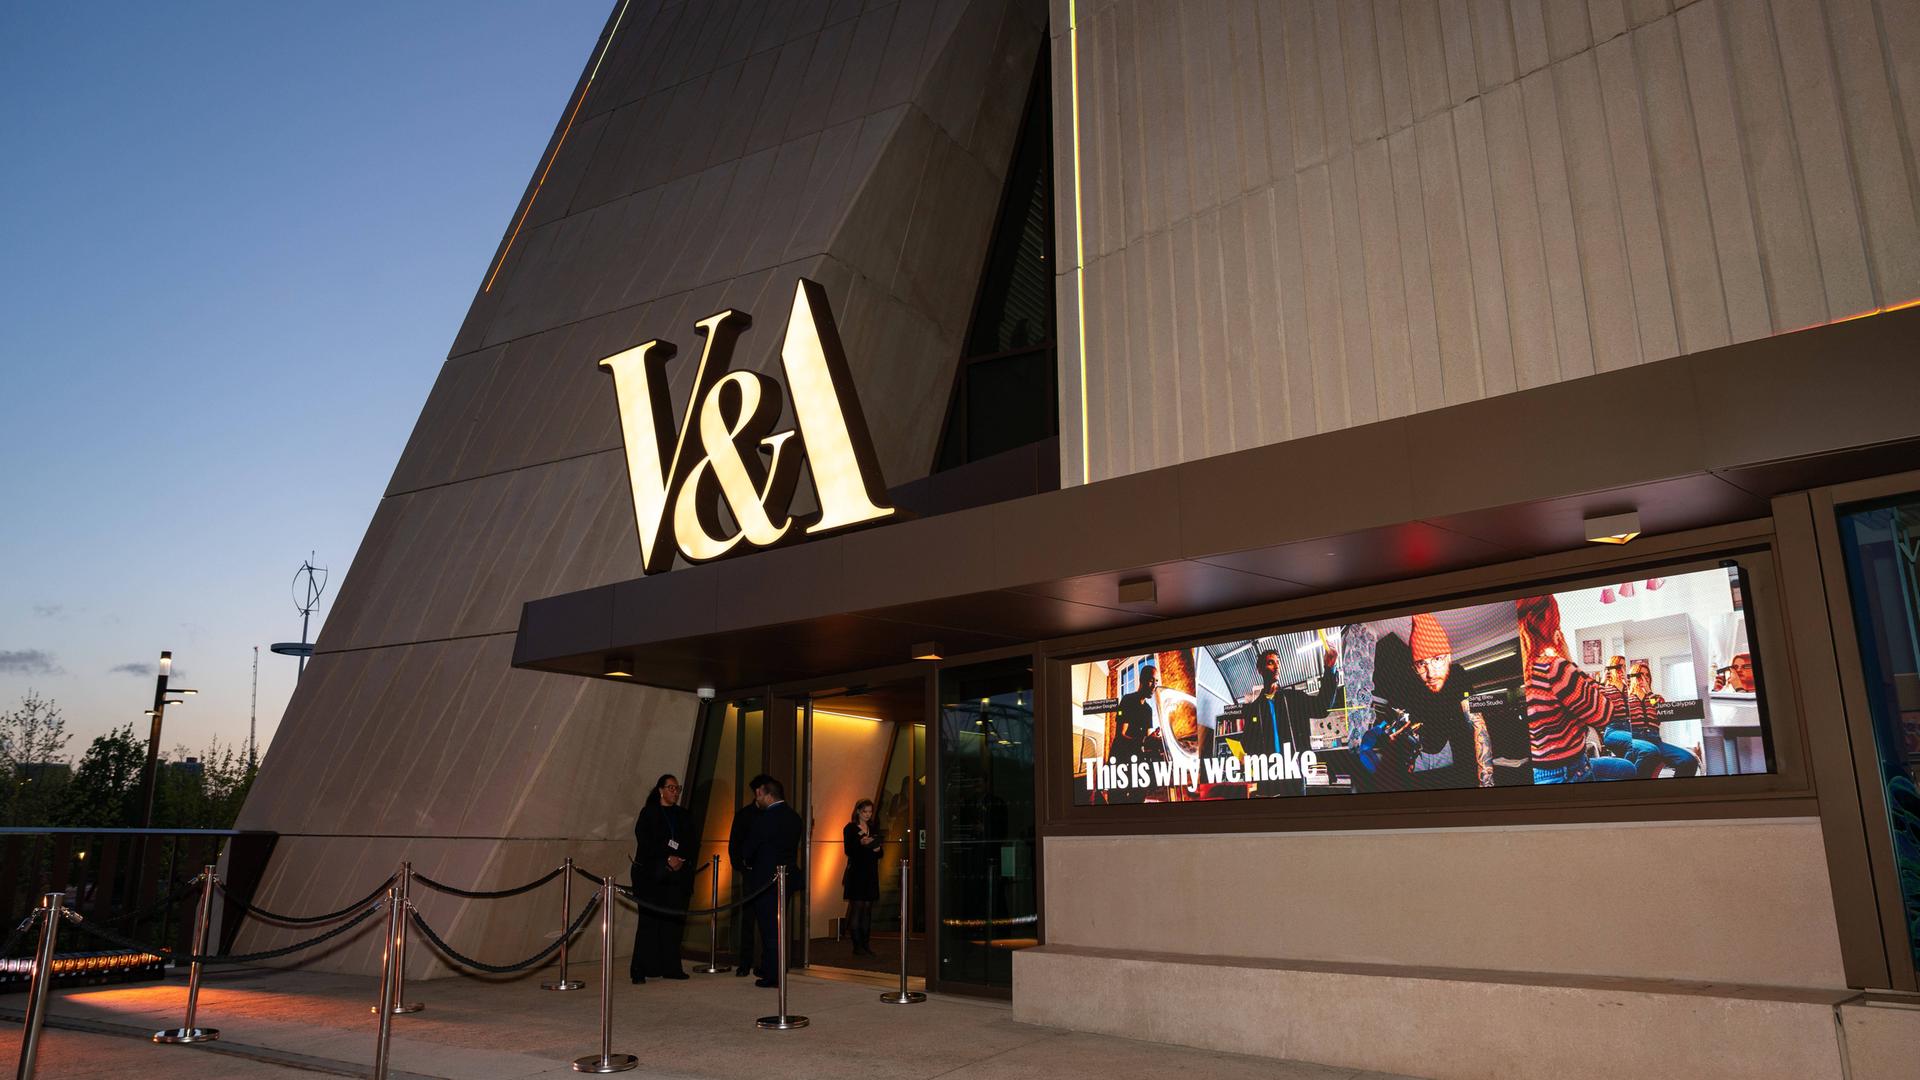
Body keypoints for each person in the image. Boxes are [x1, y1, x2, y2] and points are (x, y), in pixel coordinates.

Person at [1360, 614, 1490, 791]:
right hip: (1418, 754)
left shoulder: (1459, 675)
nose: (1430, 674)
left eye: (1437, 659)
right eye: (1421, 664)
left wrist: (1487, 781)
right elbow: (1397, 725)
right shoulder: (1406, 682)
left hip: (1446, 749)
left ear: (1449, 658)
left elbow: (1478, 725)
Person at [1515, 596, 1635, 784]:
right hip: (1569, 771)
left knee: (1627, 768)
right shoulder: (1554, 668)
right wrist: (1567, 659)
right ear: (1546, 617)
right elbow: (1604, 713)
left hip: (1542, 771)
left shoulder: (1528, 671)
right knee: (1638, 758)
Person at [1238, 640, 1338, 795]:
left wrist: (1329, 669)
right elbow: (1247, 743)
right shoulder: (1253, 709)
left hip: (1294, 776)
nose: (1277, 666)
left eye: (1278, 662)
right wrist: (1242, 757)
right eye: (1271, 663)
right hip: (1267, 779)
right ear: (1260, 669)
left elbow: (1322, 707)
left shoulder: (1293, 698)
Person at [629, 774, 694, 983]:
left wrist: (680, 859)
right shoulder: (649, 813)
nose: (675, 792)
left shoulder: (682, 815)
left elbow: (690, 841)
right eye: (671, 788)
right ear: (660, 790)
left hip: (676, 876)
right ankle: (641, 969)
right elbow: (646, 842)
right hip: (651, 876)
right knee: (648, 922)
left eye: (678, 788)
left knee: (672, 923)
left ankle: (671, 967)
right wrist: (667, 857)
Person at [740, 777, 803, 987]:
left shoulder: (765, 819)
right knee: (778, 925)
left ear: (766, 794)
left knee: (769, 928)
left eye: (758, 794)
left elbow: (749, 848)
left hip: (767, 880)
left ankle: (773, 974)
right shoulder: (794, 817)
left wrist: (746, 860)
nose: (756, 798)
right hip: (787, 878)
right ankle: (771, 967)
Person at [727, 774, 772, 976]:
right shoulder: (745, 815)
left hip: (771, 874)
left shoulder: (774, 814)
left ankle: (766, 963)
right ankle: (745, 963)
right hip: (751, 874)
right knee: (748, 920)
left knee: (768, 920)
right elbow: (734, 844)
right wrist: (742, 867)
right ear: (758, 792)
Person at [1626, 666, 1699, 778]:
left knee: (1688, 760)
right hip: (1636, 740)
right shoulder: (1627, 699)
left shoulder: (1656, 698)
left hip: (1655, 740)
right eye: (1640, 675)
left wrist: (1648, 692)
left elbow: (1660, 716)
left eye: (1647, 675)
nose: (1645, 678)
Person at [841, 799, 882, 957]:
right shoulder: (850, 828)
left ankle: (866, 945)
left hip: (870, 872)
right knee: (857, 908)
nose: (868, 814)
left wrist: (878, 848)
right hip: (857, 872)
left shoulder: (873, 827)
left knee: (867, 910)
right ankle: (856, 946)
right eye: (865, 811)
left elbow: (880, 854)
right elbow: (848, 850)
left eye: (870, 811)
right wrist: (861, 843)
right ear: (858, 811)